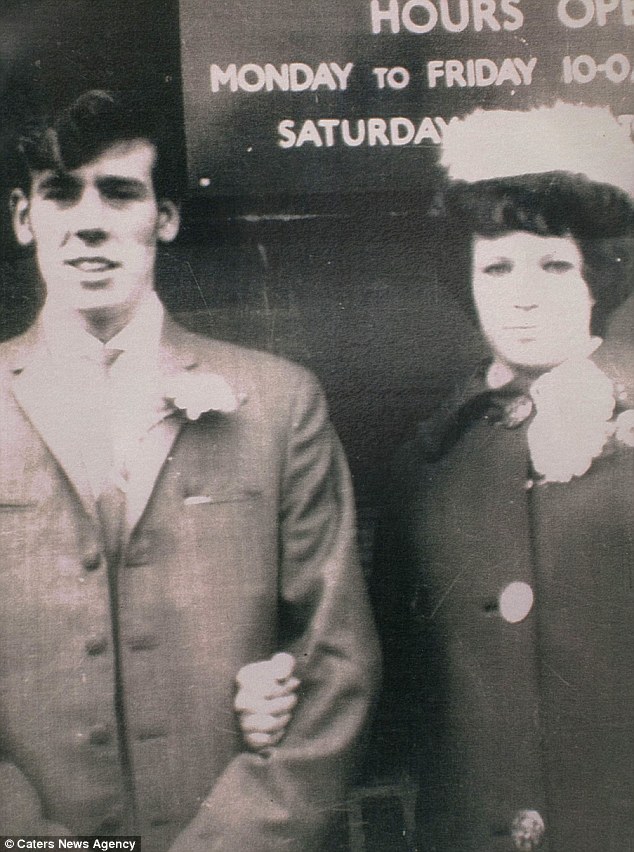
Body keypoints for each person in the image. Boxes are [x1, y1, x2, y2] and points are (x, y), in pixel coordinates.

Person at [0, 89, 380, 851]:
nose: (89, 222)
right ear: (22, 217)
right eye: (61, 193)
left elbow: (336, 660)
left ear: (164, 217)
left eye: (120, 191)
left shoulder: (277, 401)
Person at [370, 103, 634, 852]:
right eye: (496, 266)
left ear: (598, 278)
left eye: (554, 264)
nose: (522, 294)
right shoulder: (427, 465)